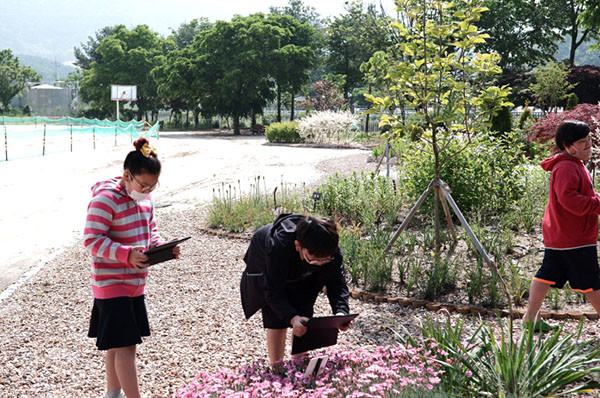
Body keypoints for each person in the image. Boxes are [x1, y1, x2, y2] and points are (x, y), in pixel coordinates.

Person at [84, 138, 181, 398]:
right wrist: (126, 255)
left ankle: (112, 394)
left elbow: (151, 233)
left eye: (153, 186)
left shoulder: (145, 201)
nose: (147, 191)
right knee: (126, 347)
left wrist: (163, 248)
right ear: (127, 175)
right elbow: (92, 240)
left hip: (135, 285)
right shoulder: (105, 200)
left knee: (117, 346)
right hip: (111, 284)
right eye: (143, 185)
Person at [240, 213, 351, 364]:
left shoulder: (330, 251)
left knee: (304, 313)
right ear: (298, 246)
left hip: (300, 263)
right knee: (276, 316)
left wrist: (341, 312)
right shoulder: (278, 245)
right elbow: (273, 290)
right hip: (266, 259)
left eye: (324, 259)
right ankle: (276, 367)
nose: (319, 263)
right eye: (314, 259)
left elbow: (337, 283)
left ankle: (298, 364)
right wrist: (291, 318)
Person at [523, 120, 600, 332]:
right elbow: (570, 200)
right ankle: (530, 317)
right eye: (583, 143)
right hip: (574, 237)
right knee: (591, 281)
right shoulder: (567, 167)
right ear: (567, 146)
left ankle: (531, 318)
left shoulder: (572, 164)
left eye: (589, 141)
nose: (588, 146)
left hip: (562, 235)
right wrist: (597, 203)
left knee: (546, 274)